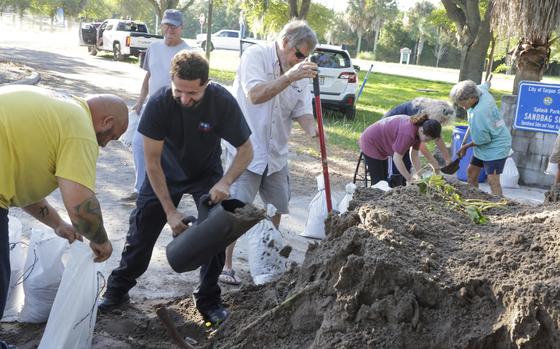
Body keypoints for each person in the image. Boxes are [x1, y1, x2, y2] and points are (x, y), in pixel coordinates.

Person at [98, 51, 253, 326]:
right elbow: (152, 163)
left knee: (215, 231)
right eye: (178, 90)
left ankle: (208, 300)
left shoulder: (221, 102)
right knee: (141, 233)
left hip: (206, 174)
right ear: (172, 81)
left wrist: (225, 182)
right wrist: (170, 211)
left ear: (206, 84)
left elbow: (246, 150)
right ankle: (117, 290)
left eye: (191, 93)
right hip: (165, 173)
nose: (183, 98)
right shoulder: (159, 103)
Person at [0, 85, 128, 349]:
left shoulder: (56, 109)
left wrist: (57, 224)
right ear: (107, 121)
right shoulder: (80, 129)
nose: (104, 144)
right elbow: (80, 203)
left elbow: (22, 184)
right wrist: (100, 241)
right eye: (111, 137)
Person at [220, 20, 320, 286]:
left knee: (276, 208)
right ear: (285, 41)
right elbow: (255, 95)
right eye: (298, 54)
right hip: (246, 150)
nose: (300, 60)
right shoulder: (256, 56)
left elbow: (303, 111)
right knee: (236, 210)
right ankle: (225, 266)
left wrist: (314, 130)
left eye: (305, 57)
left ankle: (266, 263)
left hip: (276, 155)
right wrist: (290, 76)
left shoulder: (299, 71)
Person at [121, 9, 191, 202]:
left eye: (174, 26)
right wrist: (140, 101)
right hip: (151, 107)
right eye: (166, 25)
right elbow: (149, 76)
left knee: (167, 152)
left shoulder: (189, 52)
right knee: (138, 145)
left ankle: (167, 192)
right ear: (161, 26)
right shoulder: (153, 48)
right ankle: (141, 188)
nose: (170, 29)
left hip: (175, 109)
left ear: (181, 28)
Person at [450, 80, 512, 196]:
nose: (461, 106)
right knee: (471, 173)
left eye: (462, 102)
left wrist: (465, 147)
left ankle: (500, 206)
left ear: (472, 98)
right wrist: (488, 83)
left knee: (492, 180)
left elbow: (483, 140)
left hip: (497, 145)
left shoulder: (479, 113)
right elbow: (486, 84)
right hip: (484, 141)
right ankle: (474, 198)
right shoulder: (480, 90)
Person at [383, 97, 454, 186]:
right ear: (436, 116)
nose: (440, 124)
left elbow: (437, 137)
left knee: (407, 164)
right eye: (440, 121)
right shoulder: (419, 116)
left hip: (403, 133)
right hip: (389, 133)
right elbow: (420, 142)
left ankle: (403, 185)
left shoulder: (431, 115)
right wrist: (432, 161)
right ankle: (394, 185)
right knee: (399, 162)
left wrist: (447, 159)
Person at [359, 113, 442, 185]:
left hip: (381, 143)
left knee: (383, 181)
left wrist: (421, 177)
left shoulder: (418, 131)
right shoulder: (408, 134)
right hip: (371, 142)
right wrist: (409, 178)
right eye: (427, 139)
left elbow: (414, 155)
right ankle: (373, 202)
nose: (427, 142)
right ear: (421, 130)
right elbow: (397, 158)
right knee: (379, 183)